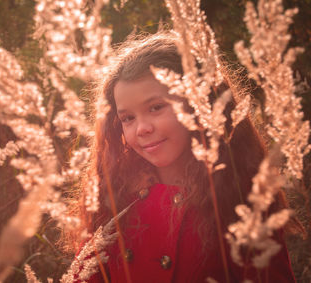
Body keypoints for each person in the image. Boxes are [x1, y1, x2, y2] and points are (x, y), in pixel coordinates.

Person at [70, 31, 299, 283]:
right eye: (128, 118)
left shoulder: (237, 197)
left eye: (156, 107)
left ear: (198, 103)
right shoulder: (113, 197)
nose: (141, 128)